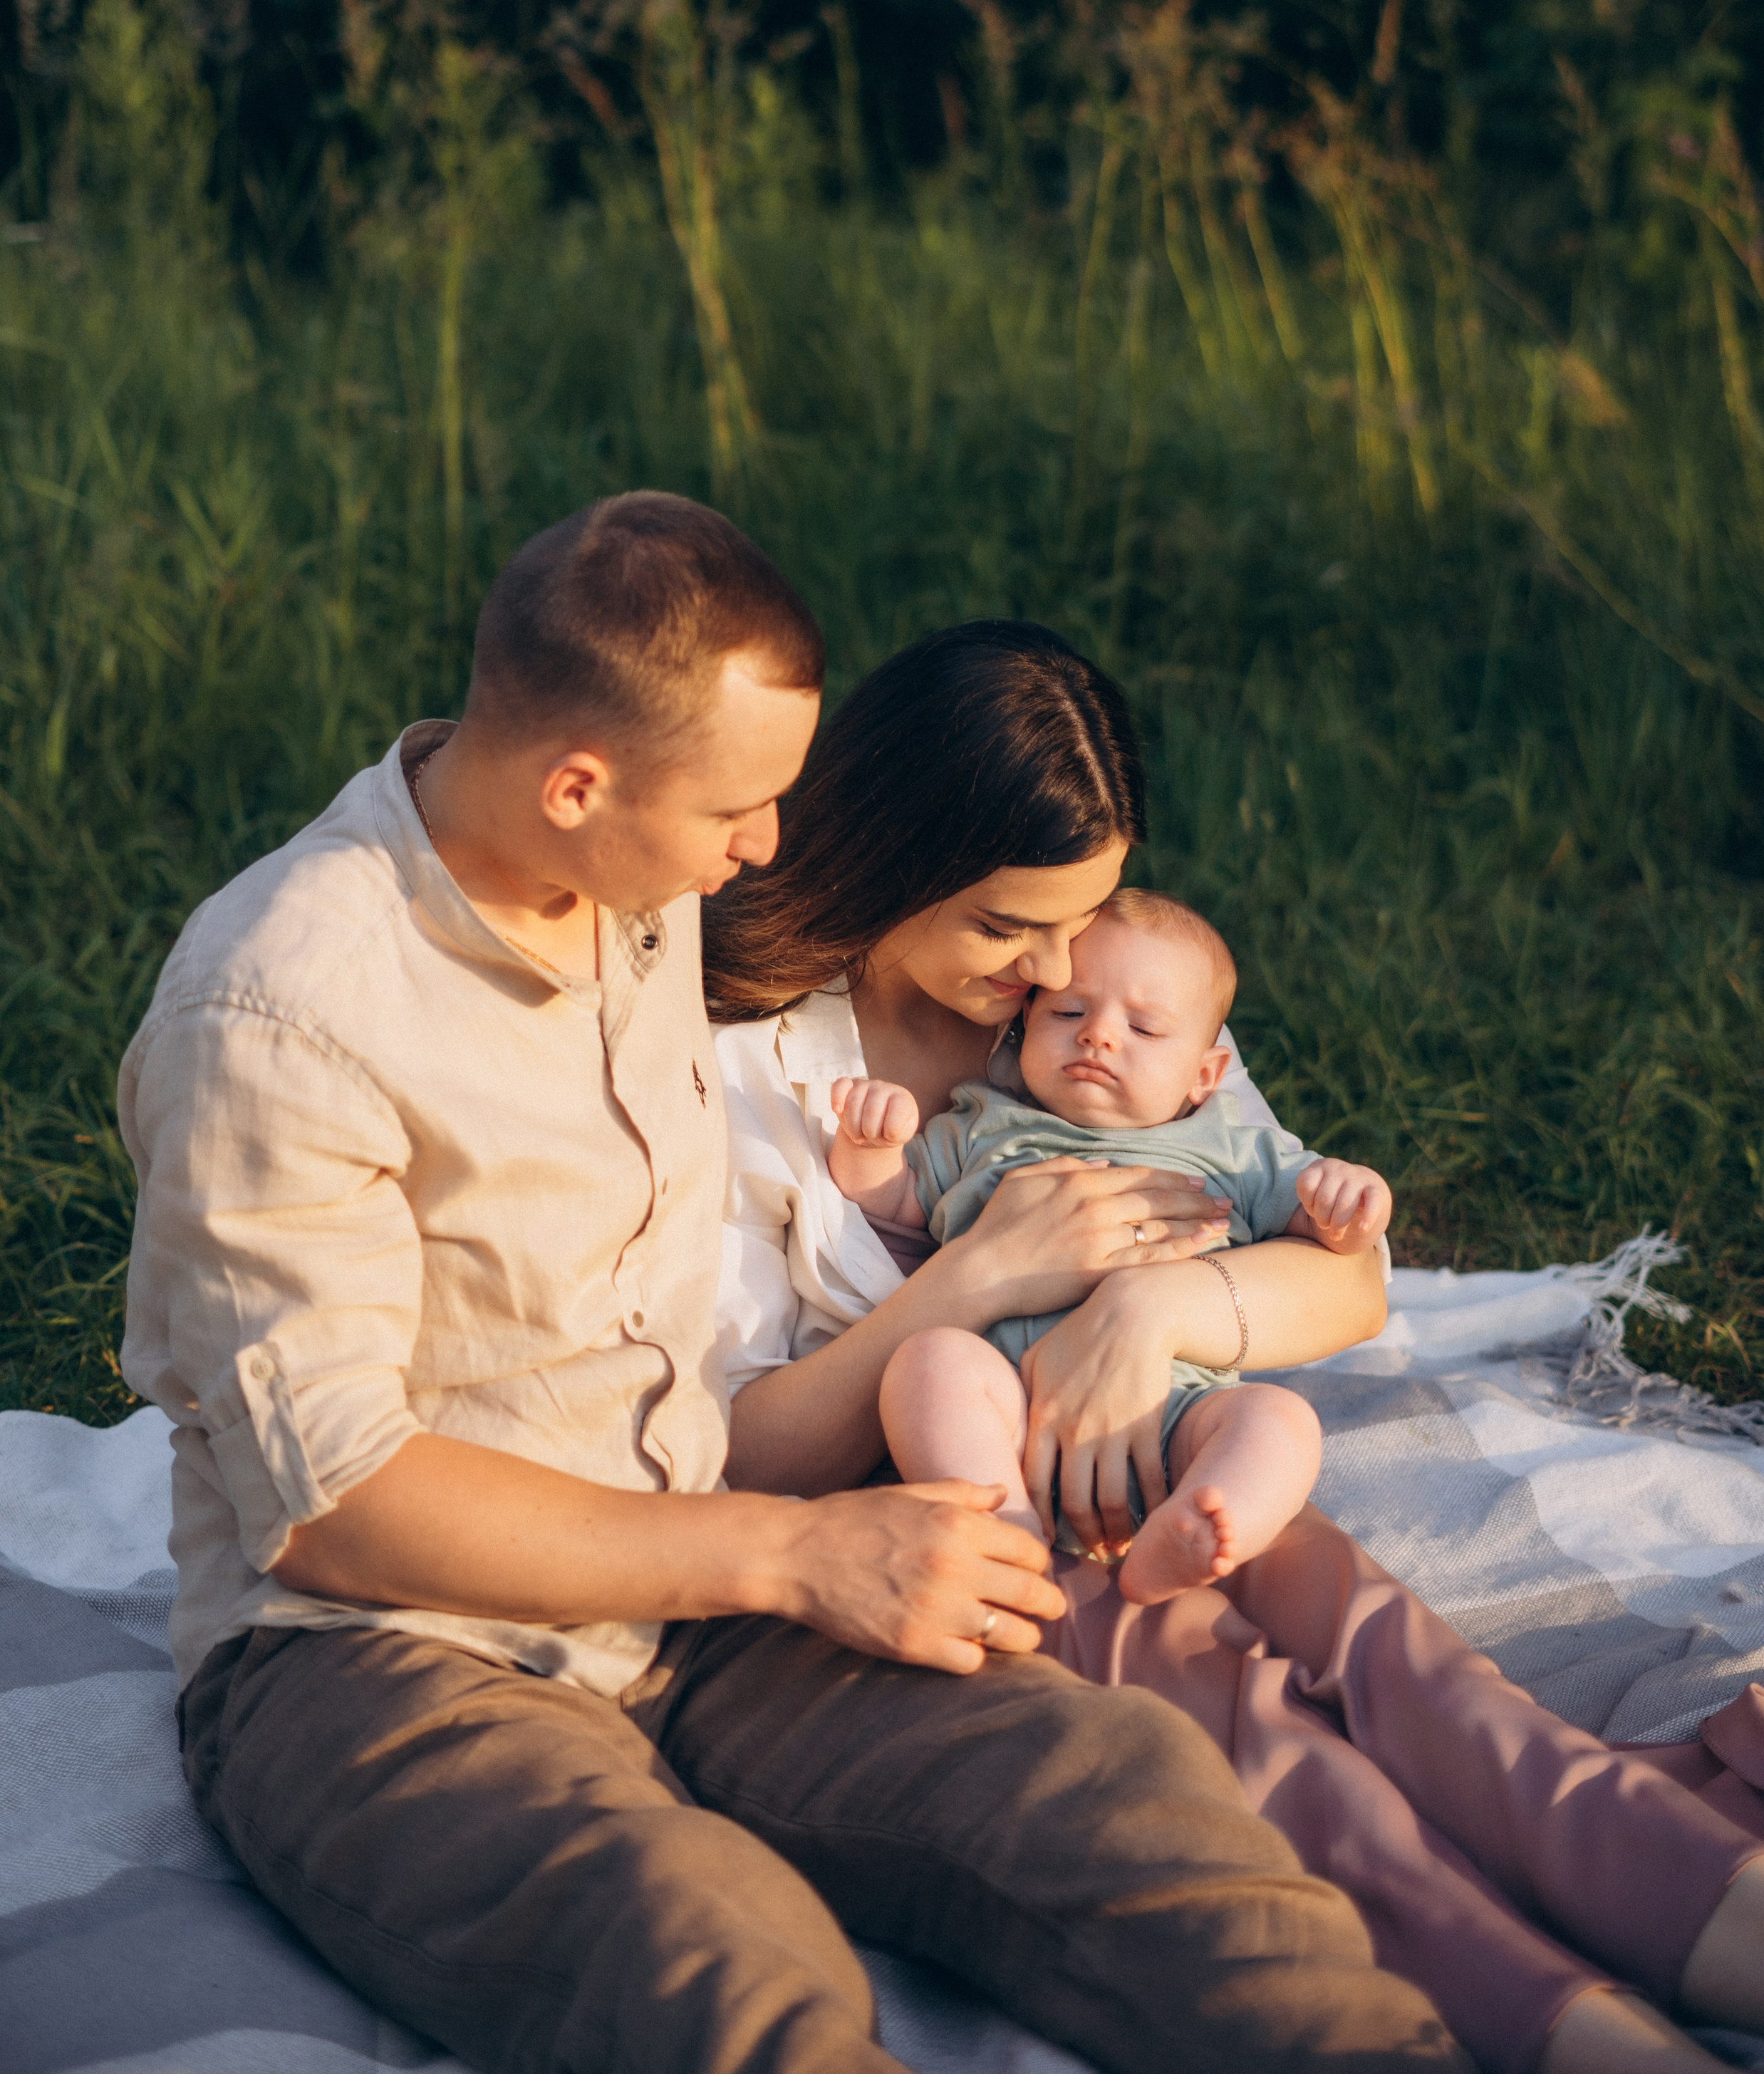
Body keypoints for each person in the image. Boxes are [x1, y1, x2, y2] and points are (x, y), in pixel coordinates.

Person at [118, 492, 1465, 2074]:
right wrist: (797, 1555)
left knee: (1126, 1812)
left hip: (695, 1594)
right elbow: (334, 1505)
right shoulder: (278, 1016)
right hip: (380, 1649)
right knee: (714, 1961)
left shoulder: (632, 884)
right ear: (575, 786)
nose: (766, 848)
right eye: (736, 813)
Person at [707, 618, 1764, 2074]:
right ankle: (1594, 2044)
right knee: (1290, 1771)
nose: (1052, 971)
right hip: (989, 1514)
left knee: (1420, 1682)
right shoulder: (747, 1062)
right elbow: (743, 1443)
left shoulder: (1085, 1011)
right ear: (887, 855)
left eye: (1080, 919)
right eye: (1008, 927)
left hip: (1172, 1434)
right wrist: (979, 1276)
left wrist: (1154, 1310)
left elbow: (1347, 1289)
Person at [825, 888, 1391, 1600]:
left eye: (1145, 1030)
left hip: (1172, 1411)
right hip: (1004, 1406)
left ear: (1205, 1077)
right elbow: (897, 1208)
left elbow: (1324, 1240)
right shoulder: (982, 1126)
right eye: (1068, 1013)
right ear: (1024, 1026)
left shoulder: (1231, 1151)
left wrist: (1345, 1207)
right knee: (928, 1366)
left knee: (1277, 1420)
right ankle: (1005, 1525)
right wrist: (870, 1150)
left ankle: (1200, 1526)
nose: (1098, 1035)